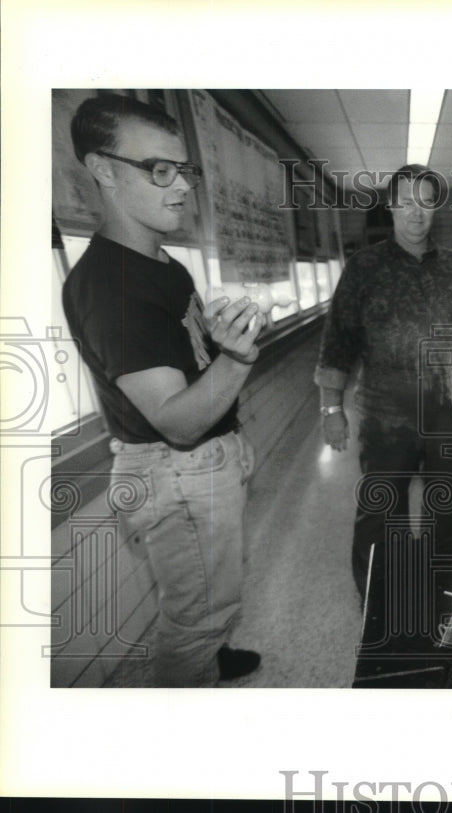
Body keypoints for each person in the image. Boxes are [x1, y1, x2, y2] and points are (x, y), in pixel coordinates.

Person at [62, 95, 263, 686]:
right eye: (158, 170)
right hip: (175, 469)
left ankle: (211, 654)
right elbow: (176, 421)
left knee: (209, 595)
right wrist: (240, 355)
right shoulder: (111, 286)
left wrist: (234, 434)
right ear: (102, 169)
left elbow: (195, 369)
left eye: (184, 170)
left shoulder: (165, 266)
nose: (181, 187)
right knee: (195, 615)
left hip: (200, 461)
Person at [315, 164, 452, 599]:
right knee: (381, 509)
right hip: (385, 416)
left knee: (442, 506)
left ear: (436, 208)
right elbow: (338, 341)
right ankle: (378, 599)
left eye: (426, 202)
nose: (416, 212)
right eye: (406, 201)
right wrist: (330, 408)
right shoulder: (364, 268)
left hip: (448, 413)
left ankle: (437, 590)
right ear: (390, 206)